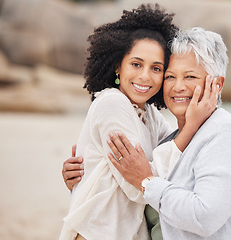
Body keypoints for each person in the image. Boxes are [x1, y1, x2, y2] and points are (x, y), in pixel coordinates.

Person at [60, 4, 220, 240]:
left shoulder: (150, 115)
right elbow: (138, 188)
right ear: (118, 65)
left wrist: (219, 124)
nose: (145, 76)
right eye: (136, 64)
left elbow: (177, 154)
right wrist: (193, 126)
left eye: (156, 68)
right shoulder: (112, 103)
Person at [106, 27, 231, 239]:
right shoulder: (170, 141)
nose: (178, 86)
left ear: (217, 84)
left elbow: (203, 217)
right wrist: (83, 175)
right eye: (170, 77)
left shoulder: (225, 134)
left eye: (190, 76)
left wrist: (146, 181)